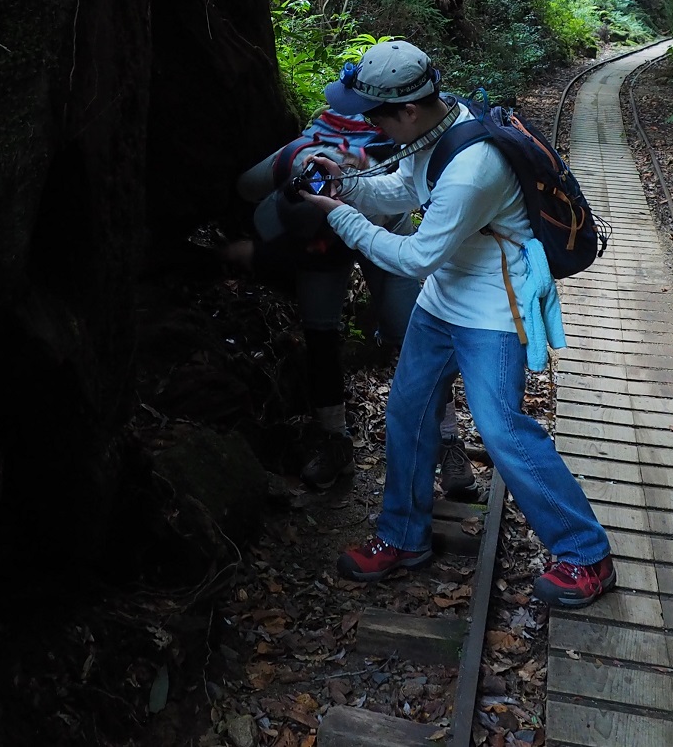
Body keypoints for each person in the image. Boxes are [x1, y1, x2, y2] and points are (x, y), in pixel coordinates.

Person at [297, 39, 616, 608]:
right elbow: (404, 188)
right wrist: (346, 184)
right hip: (444, 301)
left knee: (502, 429)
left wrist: (337, 214)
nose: (367, 126)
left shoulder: (474, 167)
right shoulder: (436, 126)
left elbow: (413, 257)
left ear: (409, 111)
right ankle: (402, 537)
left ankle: (586, 555)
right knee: (408, 411)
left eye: (374, 117)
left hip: (495, 307)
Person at [215, 86, 478, 497]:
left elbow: (406, 253)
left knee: (410, 332)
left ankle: (447, 441)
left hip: (381, 231)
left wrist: (290, 244)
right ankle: (333, 438)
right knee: (319, 331)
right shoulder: (287, 161)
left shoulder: (369, 185)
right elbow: (246, 188)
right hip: (318, 239)